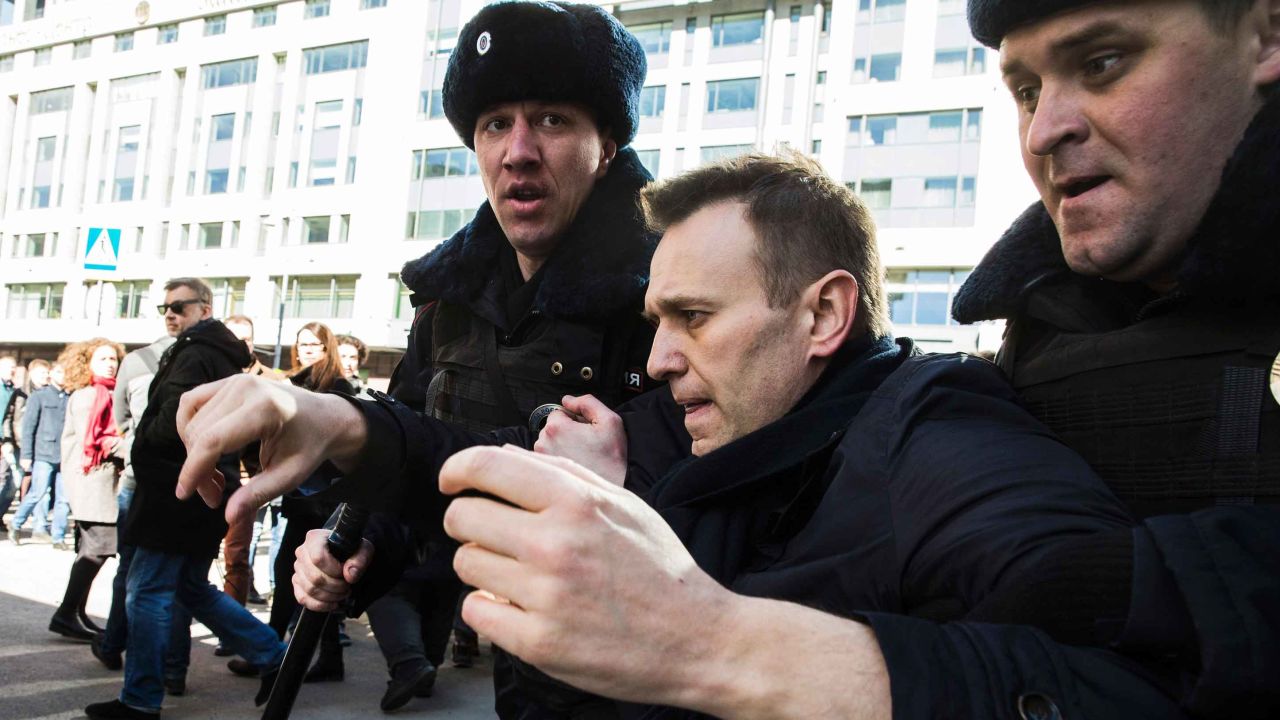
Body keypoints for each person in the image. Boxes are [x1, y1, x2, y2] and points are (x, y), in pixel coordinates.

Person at [177, 153, 1191, 719]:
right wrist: (344, 427)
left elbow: (1132, 683)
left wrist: (728, 649)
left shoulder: (944, 441)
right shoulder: (683, 426)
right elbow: (469, 457)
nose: (657, 358)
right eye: (655, 319)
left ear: (822, 318)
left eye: (694, 319)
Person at [370, 1, 657, 714]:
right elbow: (409, 454)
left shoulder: (674, 293)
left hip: (647, 672)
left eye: (552, 119)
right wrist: (356, 541)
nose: (518, 151)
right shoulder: (445, 301)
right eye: (496, 124)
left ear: (608, 145)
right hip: (519, 663)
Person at [84, 278, 286, 720]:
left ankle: (140, 700)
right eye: (164, 308)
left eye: (179, 306)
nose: (170, 314)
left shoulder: (197, 352)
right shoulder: (214, 352)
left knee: (147, 593)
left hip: (177, 490)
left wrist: (147, 447)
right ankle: (275, 657)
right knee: (191, 589)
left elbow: (177, 420)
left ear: (204, 308)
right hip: (194, 489)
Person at [258, 321, 355, 685]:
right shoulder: (296, 381)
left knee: (303, 577)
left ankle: (271, 653)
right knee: (291, 577)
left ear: (327, 346)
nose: (309, 350)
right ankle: (277, 653)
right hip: (301, 494)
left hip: (325, 498)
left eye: (315, 344)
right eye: (303, 344)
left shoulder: (336, 386)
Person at [94, 329, 182, 677]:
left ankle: (114, 646)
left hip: (142, 479)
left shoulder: (137, 363)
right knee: (173, 581)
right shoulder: (203, 365)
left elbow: (122, 421)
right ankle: (171, 669)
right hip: (173, 483)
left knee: (135, 575)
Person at [49, 339, 125, 643]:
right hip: (93, 486)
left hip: (99, 486)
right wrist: (130, 447)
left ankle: (74, 614)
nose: (110, 363)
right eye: (102, 358)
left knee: (91, 550)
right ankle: (66, 614)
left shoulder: (105, 393)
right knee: (98, 550)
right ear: (87, 363)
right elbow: (98, 441)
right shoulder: (90, 395)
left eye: (113, 358)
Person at [10, 361, 67, 544]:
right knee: (37, 492)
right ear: (51, 374)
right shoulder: (39, 396)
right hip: (43, 452)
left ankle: (58, 537)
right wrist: (26, 455)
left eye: (65, 372)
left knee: (63, 498)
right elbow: (28, 427)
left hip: (64, 455)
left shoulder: (69, 397)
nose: (62, 376)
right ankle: (16, 523)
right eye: (58, 372)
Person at [0, 354, 27, 528]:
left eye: (13, 367)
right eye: (8, 366)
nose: (12, 370)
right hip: (4, 439)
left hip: (10, 440)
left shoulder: (16, 391)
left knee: (13, 481)